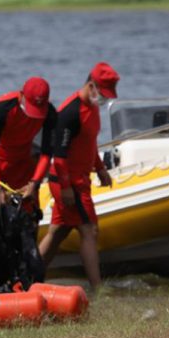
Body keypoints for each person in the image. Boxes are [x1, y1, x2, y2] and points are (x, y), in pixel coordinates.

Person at [0, 77, 57, 293]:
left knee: (28, 217)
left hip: (22, 165)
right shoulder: (2, 108)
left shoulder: (50, 113)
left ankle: (22, 280)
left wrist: (35, 184)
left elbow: (46, 153)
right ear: (21, 96)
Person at [37, 62, 121, 291]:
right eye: (102, 94)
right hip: (68, 182)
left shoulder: (92, 108)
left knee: (58, 231)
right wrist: (65, 188)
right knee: (89, 230)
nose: (104, 100)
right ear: (91, 86)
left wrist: (100, 168)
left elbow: (89, 143)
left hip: (81, 180)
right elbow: (60, 156)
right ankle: (97, 288)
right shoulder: (70, 112)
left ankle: (30, 278)